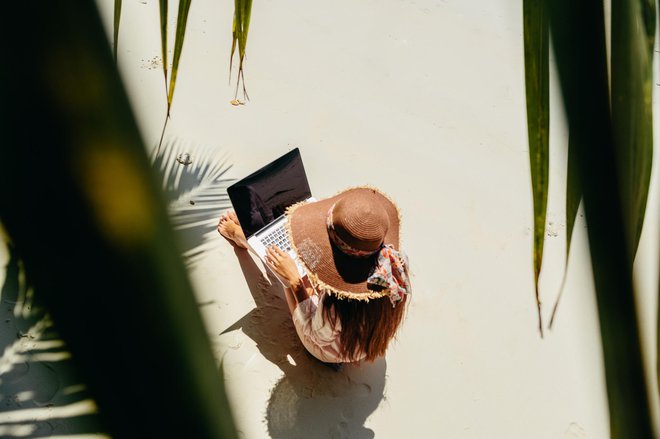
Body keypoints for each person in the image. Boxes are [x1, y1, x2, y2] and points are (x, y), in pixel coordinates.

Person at [218, 187, 411, 364]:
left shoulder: (337, 307)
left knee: (291, 273)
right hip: (364, 334)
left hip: (334, 348)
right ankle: (256, 237)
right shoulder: (393, 263)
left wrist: (295, 284)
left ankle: (243, 237)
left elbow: (318, 334)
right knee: (305, 261)